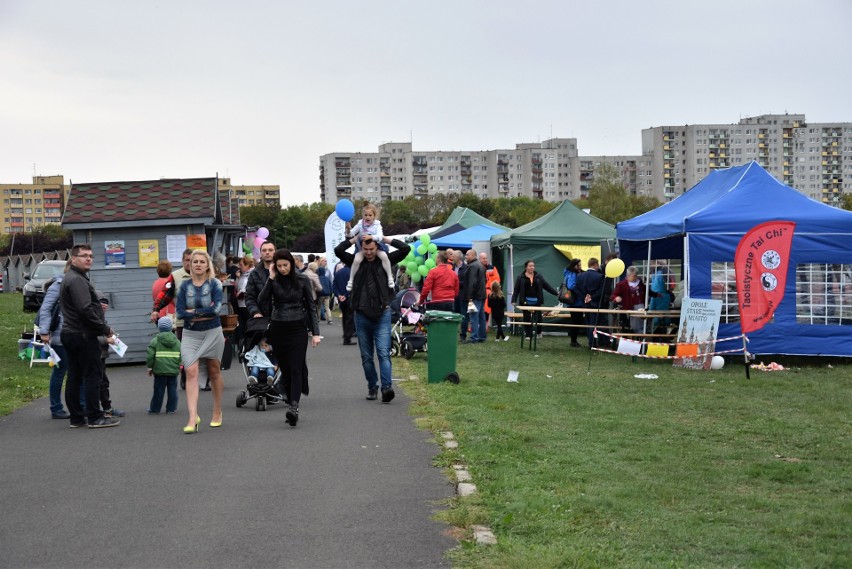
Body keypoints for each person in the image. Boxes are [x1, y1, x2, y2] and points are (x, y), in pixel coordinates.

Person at [335, 233, 411, 402]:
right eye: (365, 249)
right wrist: (355, 239)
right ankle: (372, 386)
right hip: (361, 316)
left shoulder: (386, 260)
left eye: (372, 249)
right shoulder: (356, 261)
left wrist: (383, 238)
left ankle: (386, 388)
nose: (369, 252)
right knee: (367, 356)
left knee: (384, 353)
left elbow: (405, 248)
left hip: (381, 314)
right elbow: (338, 250)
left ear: (377, 247)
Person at [258, 249, 321, 426]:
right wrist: (270, 278)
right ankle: (290, 400)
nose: (283, 269)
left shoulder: (302, 279)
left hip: (298, 327)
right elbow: (262, 301)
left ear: (292, 264)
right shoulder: (274, 280)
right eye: (279, 266)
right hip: (278, 328)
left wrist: (315, 333)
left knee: (296, 368)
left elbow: (310, 306)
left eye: (285, 265)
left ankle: (294, 406)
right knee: (285, 369)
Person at [60, 244, 120, 428]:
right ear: (74, 258)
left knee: (75, 376)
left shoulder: (72, 277)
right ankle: (95, 417)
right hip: (82, 334)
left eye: (91, 256)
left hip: (72, 333)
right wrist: (104, 328)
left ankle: (77, 418)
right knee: (93, 376)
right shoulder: (77, 279)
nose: (88, 259)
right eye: (84, 255)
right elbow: (85, 309)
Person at [175, 249, 226, 433]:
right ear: (189, 265)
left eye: (201, 262)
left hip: (212, 331)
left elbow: (216, 309)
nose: (197, 264)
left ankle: (217, 411)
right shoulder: (183, 286)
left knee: (214, 371)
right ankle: (192, 417)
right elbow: (179, 312)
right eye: (194, 261)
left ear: (207, 265)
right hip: (190, 333)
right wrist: (198, 314)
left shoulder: (215, 284)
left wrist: (193, 313)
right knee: (190, 370)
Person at [38, 261, 71, 419]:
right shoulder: (58, 285)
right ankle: (56, 408)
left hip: (73, 335)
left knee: (74, 372)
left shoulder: (78, 283)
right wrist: (44, 331)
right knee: (60, 371)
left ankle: (79, 405)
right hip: (59, 336)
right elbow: (46, 308)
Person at [346, 203, 394, 290]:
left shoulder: (377, 225)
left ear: (374, 216)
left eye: (370, 215)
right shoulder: (360, 224)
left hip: (376, 246)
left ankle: (390, 277)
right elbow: (351, 234)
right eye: (366, 215)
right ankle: (351, 280)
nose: (367, 217)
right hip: (363, 246)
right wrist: (348, 229)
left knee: (384, 256)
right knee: (356, 260)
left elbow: (380, 236)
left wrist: (371, 237)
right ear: (363, 215)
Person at [511, 260, 559, 338]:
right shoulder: (520, 278)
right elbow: (516, 290)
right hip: (525, 301)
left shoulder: (538, 276)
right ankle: (528, 335)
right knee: (527, 318)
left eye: (533, 266)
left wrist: (556, 293)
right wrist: (513, 300)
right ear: (526, 267)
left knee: (538, 318)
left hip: (537, 301)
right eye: (530, 266)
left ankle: (539, 333)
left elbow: (547, 286)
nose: (532, 267)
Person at [146, 316, 181, 415]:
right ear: (171, 327)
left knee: (158, 390)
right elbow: (181, 355)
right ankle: (171, 409)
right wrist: (179, 366)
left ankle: (155, 409)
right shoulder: (177, 342)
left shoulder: (155, 341)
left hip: (159, 371)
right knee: (172, 390)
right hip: (173, 371)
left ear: (159, 328)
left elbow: (150, 356)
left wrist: (150, 367)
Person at [611, 265, 653, 336]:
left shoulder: (640, 283)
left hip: (641, 307)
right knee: (635, 327)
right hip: (630, 308)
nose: (636, 277)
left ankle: (642, 340)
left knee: (644, 325)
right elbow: (613, 295)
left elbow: (647, 291)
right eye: (634, 275)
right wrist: (616, 298)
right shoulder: (622, 284)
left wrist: (657, 295)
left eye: (636, 275)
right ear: (628, 275)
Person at [577, 258, 606, 348]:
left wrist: (585, 296)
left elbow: (577, 289)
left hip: (585, 304)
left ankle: (591, 342)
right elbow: (601, 291)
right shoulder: (600, 276)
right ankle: (592, 344)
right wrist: (592, 297)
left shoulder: (580, 276)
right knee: (593, 324)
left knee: (588, 324)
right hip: (595, 304)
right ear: (596, 265)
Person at [245, 240, 276, 319]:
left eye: (270, 250)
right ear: (260, 253)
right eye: (264, 250)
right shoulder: (254, 274)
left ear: (275, 252)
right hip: (262, 317)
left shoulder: (282, 271)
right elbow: (250, 297)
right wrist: (255, 312)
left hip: (281, 317)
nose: (267, 252)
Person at [463, 249, 487, 343]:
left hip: (475, 295)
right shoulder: (481, 265)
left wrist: (469, 296)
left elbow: (472, 282)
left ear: (473, 255)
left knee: (474, 317)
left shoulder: (472, 266)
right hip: (481, 294)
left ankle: (474, 337)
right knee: (481, 316)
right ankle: (482, 336)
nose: (466, 256)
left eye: (467, 255)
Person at [562, 258, 585, 347]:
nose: (580, 266)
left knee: (576, 321)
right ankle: (573, 341)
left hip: (575, 302)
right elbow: (571, 286)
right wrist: (581, 291)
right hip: (575, 302)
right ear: (574, 265)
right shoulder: (572, 274)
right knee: (576, 321)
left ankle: (573, 340)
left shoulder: (570, 273)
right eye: (578, 265)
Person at [332, 262, 356, 345]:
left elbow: (334, 285)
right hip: (349, 298)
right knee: (350, 317)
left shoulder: (338, 272)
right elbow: (352, 286)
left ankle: (346, 334)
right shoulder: (352, 272)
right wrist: (346, 295)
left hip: (340, 298)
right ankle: (348, 337)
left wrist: (339, 295)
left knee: (345, 317)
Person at [235, 256, 254, 341]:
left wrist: (242, 292)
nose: (240, 267)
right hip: (241, 304)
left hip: (248, 304)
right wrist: (238, 278)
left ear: (247, 265)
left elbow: (247, 288)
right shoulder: (242, 274)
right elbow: (237, 287)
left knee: (248, 325)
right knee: (242, 325)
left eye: (241, 265)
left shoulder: (252, 273)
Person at [481, 252, 501, 330]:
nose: (485, 260)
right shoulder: (477, 267)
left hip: (489, 291)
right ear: (480, 259)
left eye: (486, 258)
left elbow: (497, 280)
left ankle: (485, 327)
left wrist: (493, 290)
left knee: (486, 310)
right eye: (483, 258)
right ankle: (478, 326)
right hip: (479, 291)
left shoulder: (492, 268)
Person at [452, 250, 469, 340]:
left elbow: (467, 282)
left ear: (458, 257)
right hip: (454, 295)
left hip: (463, 295)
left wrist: (456, 283)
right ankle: (453, 334)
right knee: (454, 315)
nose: (452, 258)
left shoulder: (466, 268)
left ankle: (463, 335)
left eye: (453, 256)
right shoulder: (452, 267)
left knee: (463, 316)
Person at [317, 257, 333, 324]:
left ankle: (317, 319)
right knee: (327, 307)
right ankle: (329, 319)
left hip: (320, 294)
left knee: (319, 307)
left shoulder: (318, 278)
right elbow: (330, 286)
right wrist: (331, 293)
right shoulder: (327, 278)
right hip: (327, 294)